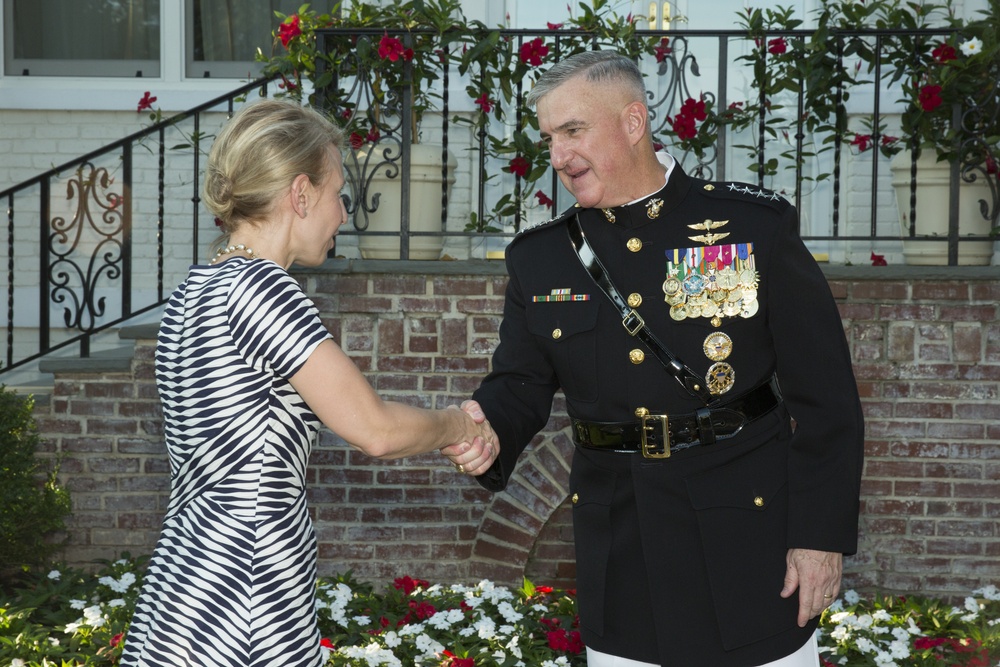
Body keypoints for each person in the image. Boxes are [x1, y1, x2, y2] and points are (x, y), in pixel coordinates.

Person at [457, 50, 864, 667]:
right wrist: (483, 428)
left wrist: (820, 539)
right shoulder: (542, 259)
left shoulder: (751, 227)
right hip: (622, 555)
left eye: (573, 131)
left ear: (633, 122)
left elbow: (825, 397)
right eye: (549, 138)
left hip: (749, 550)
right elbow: (518, 384)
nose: (560, 157)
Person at [120, 99, 497, 667]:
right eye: (337, 193)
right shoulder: (264, 292)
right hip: (247, 596)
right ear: (299, 194)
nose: (344, 213)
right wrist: (455, 424)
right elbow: (374, 430)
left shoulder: (193, 292)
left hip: (181, 589)